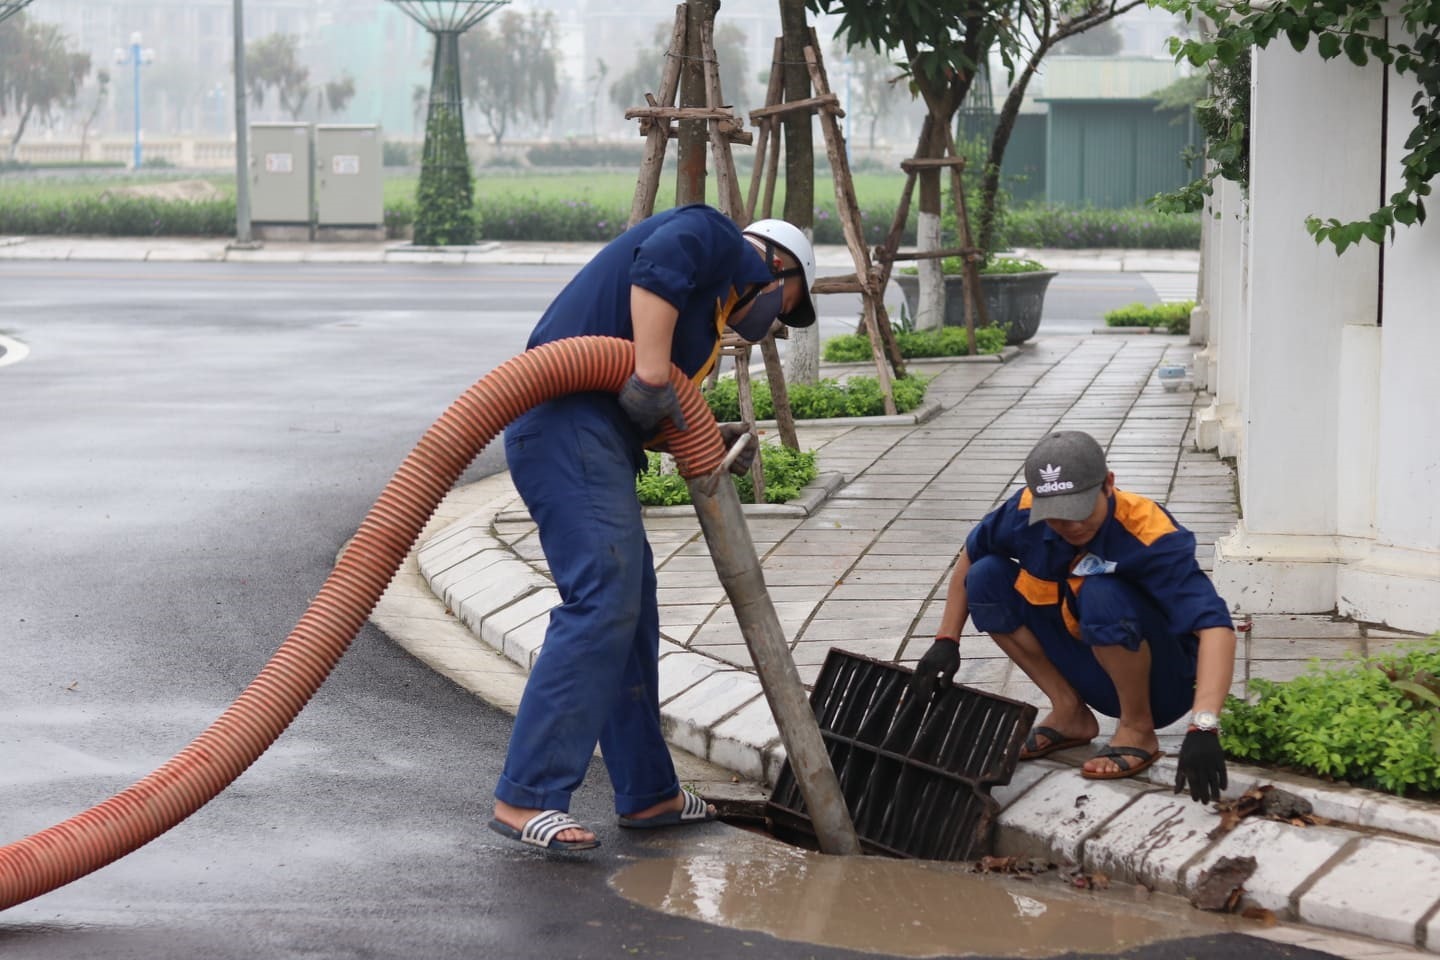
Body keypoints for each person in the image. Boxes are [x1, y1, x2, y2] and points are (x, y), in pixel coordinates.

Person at [488, 203, 819, 850]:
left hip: (597, 438)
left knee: (632, 611)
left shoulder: (703, 322)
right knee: (605, 598)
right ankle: (525, 796)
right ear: (778, 266)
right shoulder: (718, 237)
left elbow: (648, 405)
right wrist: (649, 373)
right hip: (563, 423)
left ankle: (649, 793)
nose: (779, 321)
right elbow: (658, 267)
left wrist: (699, 430)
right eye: (790, 303)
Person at [909, 430, 1235, 804]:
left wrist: (1203, 725)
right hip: (1090, 660)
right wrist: (946, 640)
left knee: (1100, 591)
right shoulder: (1023, 512)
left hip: (1163, 684)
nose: (1073, 526)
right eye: (1059, 517)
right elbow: (970, 554)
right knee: (985, 576)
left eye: (1081, 511)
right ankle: (1069, 711)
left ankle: (1137, 728)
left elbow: (1215, 627)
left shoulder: (1148, 529)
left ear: (1108, 484)